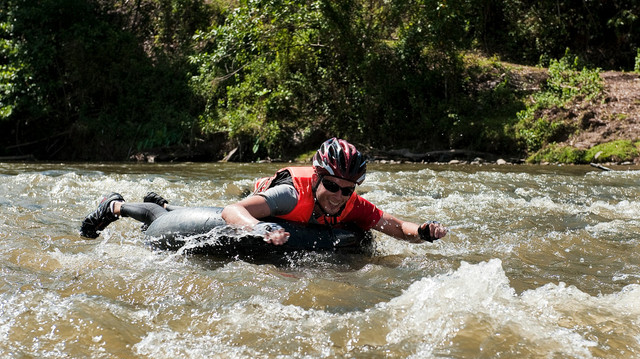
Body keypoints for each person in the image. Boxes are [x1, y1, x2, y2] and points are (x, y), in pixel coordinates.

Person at [80, 138, 447, 245]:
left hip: (276, 219)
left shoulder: (352, 205)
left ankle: (165, 202)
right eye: (332, 185)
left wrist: (426, 231)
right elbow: (230, 211)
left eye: (346, 189)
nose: (338, 195)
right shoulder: (290, 195)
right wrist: (259, 229)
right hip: (258, 202)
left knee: (182, 209)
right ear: (318, 177)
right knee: (166, 219)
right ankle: (114, 205)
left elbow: (393, 225)